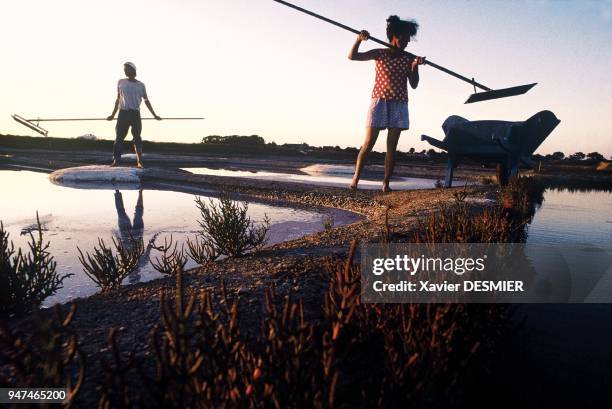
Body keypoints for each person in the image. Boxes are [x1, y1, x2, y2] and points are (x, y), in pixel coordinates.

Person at [348, 16, 425, 192]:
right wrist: (359, 39)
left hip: (399, 104)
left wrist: (416, 65)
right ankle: (355, 180)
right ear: (394, 36)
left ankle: (386, 183)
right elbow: (352, 56)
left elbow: (413, 84)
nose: (406, 42)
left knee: (392, 146)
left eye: (408, 39)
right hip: (379, 102)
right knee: (368, 144)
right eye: (403, 38)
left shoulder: (408, 58)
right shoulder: (379, 53)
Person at [107, 62, 161, 168]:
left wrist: (154, 115)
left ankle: (140, 162)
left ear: (133, 70)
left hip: (135, 114)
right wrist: (113, 114)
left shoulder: (141, 85)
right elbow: (118, 99)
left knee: (137, 138)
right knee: (119, 138)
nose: (125, 71)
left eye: (127, 69)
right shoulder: (121, 82)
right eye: (124, 69)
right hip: (123, 113)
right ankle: (116, 160)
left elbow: (146, 100)